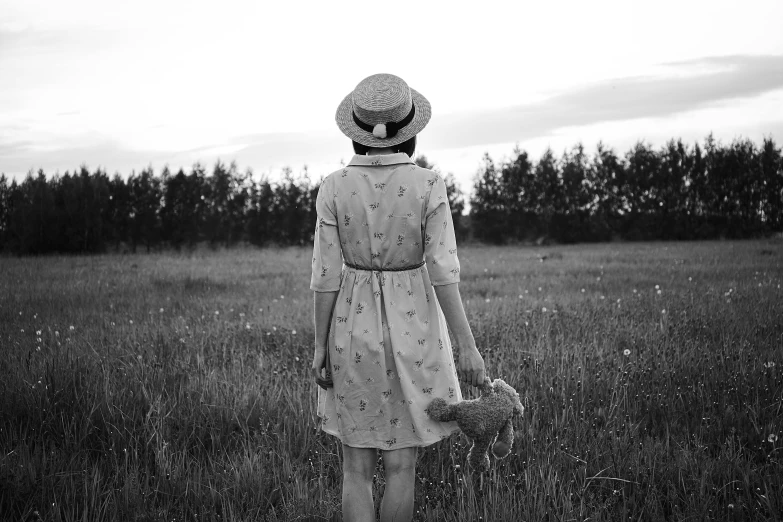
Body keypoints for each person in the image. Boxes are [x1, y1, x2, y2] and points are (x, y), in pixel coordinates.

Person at [310, 73, 485, 522]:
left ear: (357, 129)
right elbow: (443, 270)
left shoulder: (332, 186)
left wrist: (319, 345)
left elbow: (326, 275)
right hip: (417, 330)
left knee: (356, 468)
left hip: (350, 329)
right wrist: (467, 345)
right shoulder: (429, 185)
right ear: (409, 129)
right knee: (402, 466)